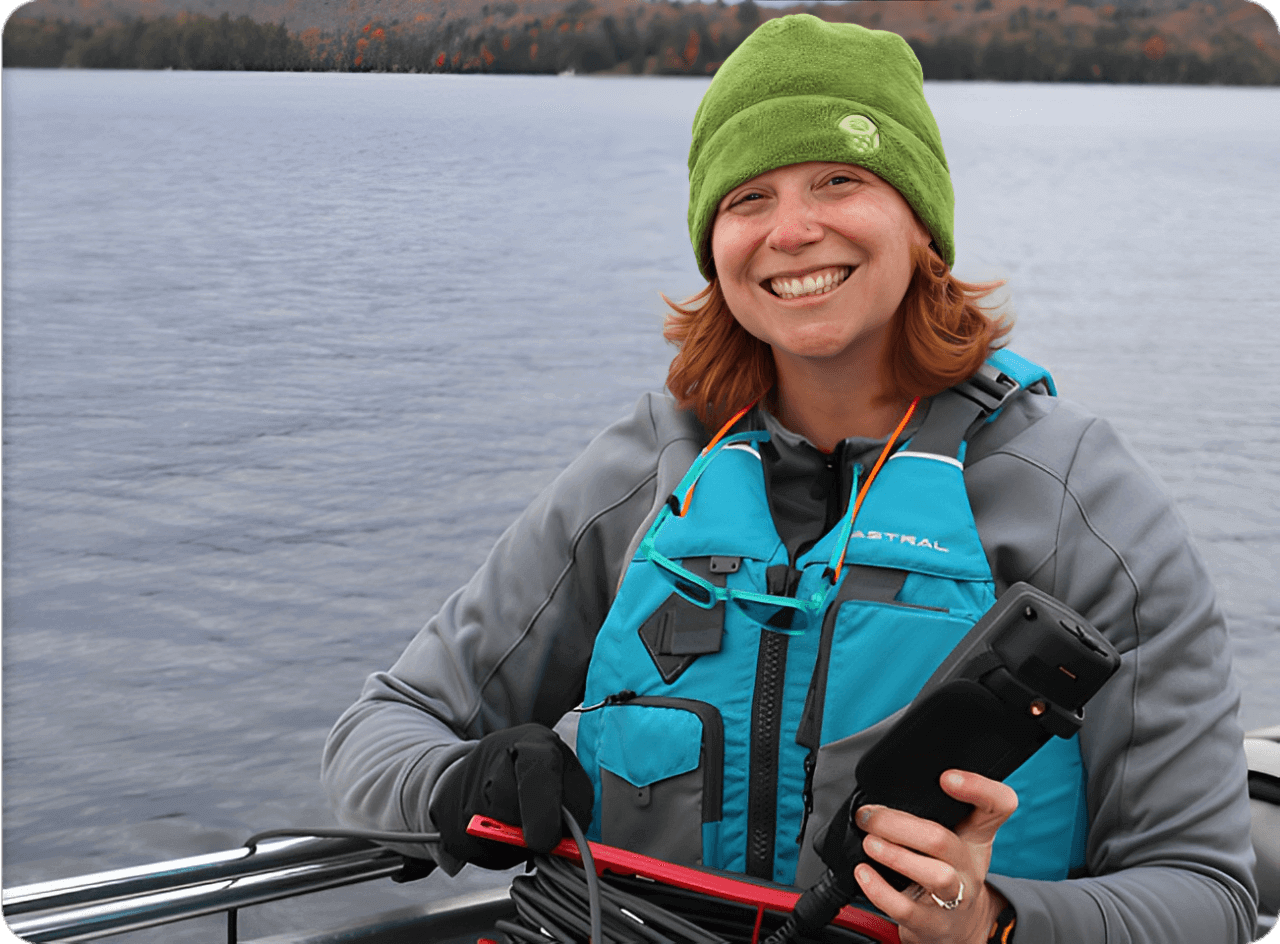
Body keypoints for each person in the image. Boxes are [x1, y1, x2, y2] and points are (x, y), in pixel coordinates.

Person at [322, 14, 1258, 944]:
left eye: (839, 180)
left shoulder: (1079, 502)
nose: (794, 231)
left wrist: (992, 922)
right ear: (714, 243)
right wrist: (456, 782)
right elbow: (381, 729)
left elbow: (1206, 897)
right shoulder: (646, 468)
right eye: (748, 199)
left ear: (921, 222)